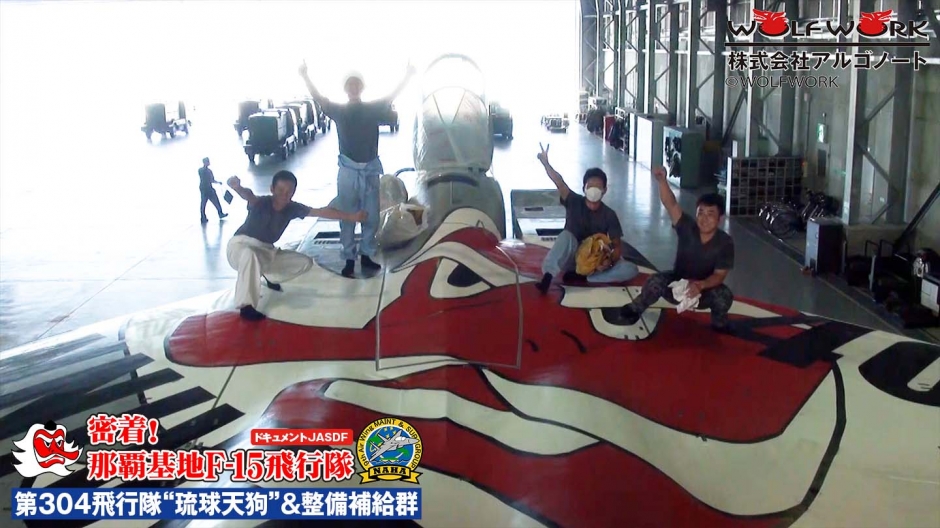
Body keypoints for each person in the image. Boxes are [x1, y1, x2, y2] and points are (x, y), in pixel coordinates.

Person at [298, 59, 417, 278]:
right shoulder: (338, 110)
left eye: (357, 84)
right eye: (350, 85)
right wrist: (305, 76)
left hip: (370, 170)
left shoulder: (373, 108)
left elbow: (392, 95)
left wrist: (408, 76)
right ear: (345, 89)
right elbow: (318, 98)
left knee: (371, 216)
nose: (353, 88)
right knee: (348, 216)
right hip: (348, 172)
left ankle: (367, 255)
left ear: (362, 87)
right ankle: (349, 258)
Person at [226, 170, 367, 321]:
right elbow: (248, 195)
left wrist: (352, 217)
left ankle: (269, 276)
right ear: (272, 189)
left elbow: (321, 212)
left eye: (289, 191)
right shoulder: (261, 203)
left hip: (266, 251)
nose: (284, 195)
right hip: (240, 246)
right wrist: (237, 188)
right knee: (249, 254)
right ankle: (246, 306)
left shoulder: (292, 208)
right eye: (280, 190)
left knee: (304, 262)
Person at [615, 166, 735, 332]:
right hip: (677, 283)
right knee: (654, 281)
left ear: (719, 219)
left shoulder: (725, 242)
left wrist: (700, 285)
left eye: (710, 214)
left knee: (725, 296)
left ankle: (719, 323)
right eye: (701, 213)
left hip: (705, 290)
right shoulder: (687, 227)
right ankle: (635, 308)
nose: (704, 218)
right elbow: (670, 204)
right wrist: (662, 180)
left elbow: (719, 275)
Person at [534, 143, 639, 293]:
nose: (594, 190)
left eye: (598, 187)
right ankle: (548, 277)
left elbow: (617, 246)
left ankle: (589, 278)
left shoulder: (609, 215)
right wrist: (546, 163)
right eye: (590, 186)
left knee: (631, 269)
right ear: (584, 188)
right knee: (566, 236)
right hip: (571, 259)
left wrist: (608, 261)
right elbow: (559, 182)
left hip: (594, 262)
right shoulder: (573, 201)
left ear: (604, 190)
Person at [199, 157, 228, 223]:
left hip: (204, 188)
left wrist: (217, 182)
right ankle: (220, 213)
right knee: (214, 201)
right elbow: (211, 180)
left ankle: (203, 217)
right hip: (208, 188)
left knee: (204, 203)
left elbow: (210, 179)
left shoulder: (201, 170)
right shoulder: (207, 171)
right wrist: (218, 182)